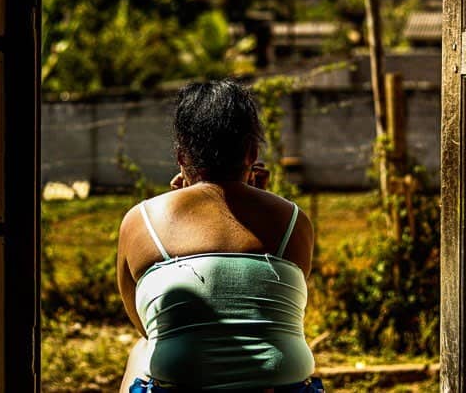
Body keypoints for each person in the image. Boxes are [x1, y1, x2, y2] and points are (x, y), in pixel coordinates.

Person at [116, 80, 323, 392]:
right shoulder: (293, 221)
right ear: (252, 153)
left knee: (140, 351)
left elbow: (149, 328)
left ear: (181, 158)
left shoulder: (142, 221)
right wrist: (260, 200)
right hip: (282, 389)